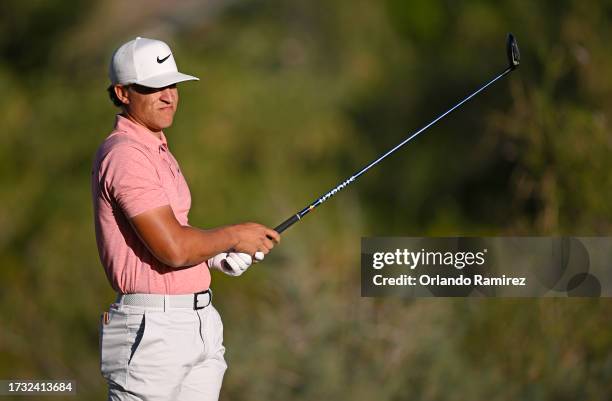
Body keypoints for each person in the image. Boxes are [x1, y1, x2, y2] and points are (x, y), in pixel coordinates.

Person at [91, 37, 281, 401]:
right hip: (152, 334)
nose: (168, 96)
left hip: (197, 324)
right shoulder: (126, 155)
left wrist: (214, 254)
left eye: (172, 84)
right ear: (123, 92)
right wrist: (232, 236)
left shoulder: (156, 146)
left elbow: (174, 228)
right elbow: (174, 249)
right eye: (152, 87)